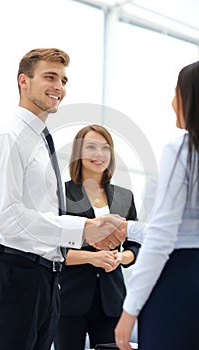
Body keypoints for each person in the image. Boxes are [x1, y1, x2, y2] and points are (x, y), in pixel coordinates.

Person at [0, 48, 126, 350]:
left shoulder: (40, 140)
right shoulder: (9, 136)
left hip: (46, 277)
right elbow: (10, 219)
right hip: (15, 273)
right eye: (50, 77)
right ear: (24, 81)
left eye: (64, 80)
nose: (59, 87)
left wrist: (91, 231)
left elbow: (40, 213)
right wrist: (83, 229)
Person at [114, 60, 199, 350]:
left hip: (180, 280)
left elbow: (163, 236)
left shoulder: (181, 150)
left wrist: (130, 308)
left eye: (177, 92)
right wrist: (129, 228)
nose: (172, 101)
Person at [54, 124, 141, 350]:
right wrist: (91, 258)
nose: (99, 154)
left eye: (105, 148)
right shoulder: (61, 194)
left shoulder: (124, 196)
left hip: (111, 300)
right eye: (91, 147)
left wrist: (121, 258)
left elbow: (136, 244)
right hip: (70, 299)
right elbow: (51, 246)